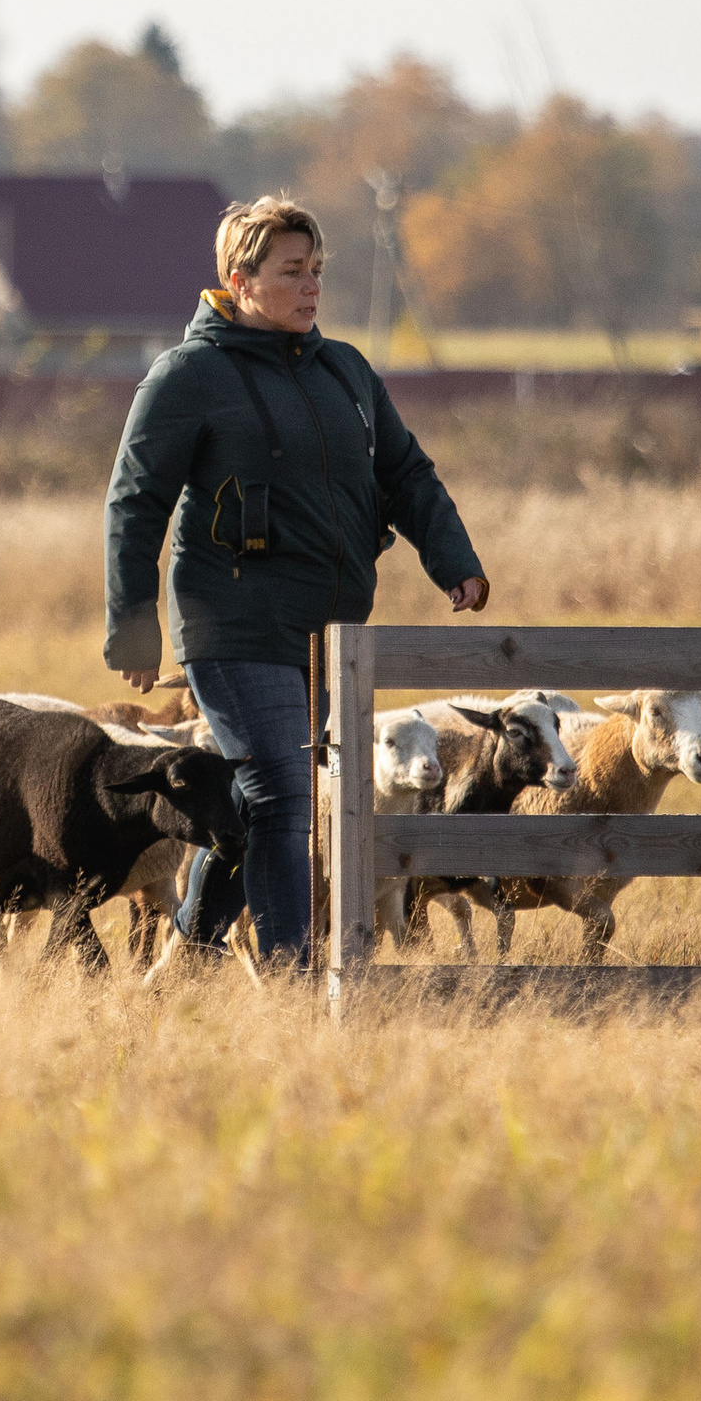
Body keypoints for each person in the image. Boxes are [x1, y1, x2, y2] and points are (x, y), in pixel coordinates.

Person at [102, 194, 489, 970]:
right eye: (291, 271)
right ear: (239, 281)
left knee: (260, 802)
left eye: (315, 269)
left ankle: (189, 952)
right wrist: (136, 628)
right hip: (231, 620)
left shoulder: (346, 370)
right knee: (283, 794)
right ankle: (294, 977)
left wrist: (455, 559)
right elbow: (135, 501)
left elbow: (406, 474)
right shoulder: (188, 375)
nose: (311, 285)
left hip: (329, 632)